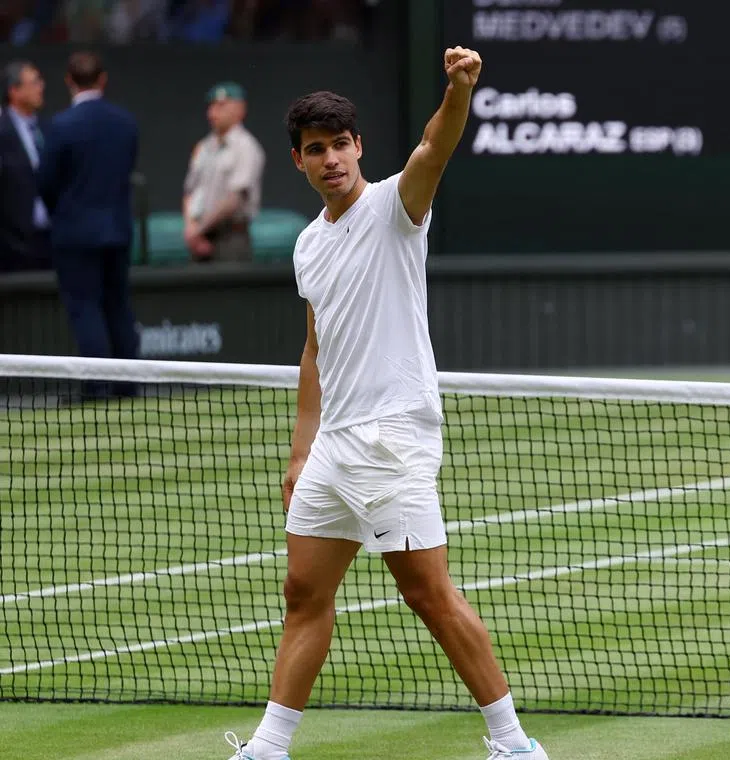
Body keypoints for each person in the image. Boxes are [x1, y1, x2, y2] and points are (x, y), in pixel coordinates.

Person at [222, 48, 550, 760]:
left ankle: (514, 744)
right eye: (317, 150)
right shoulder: (308, 245)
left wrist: (459, 89)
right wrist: (301, 447)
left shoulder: (398, 206)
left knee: (427, 594)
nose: (332, 158)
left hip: (394, 439)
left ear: (358, 147)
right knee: (303, 595)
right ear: (299, 161)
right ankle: (268, 749)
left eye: (341, 144)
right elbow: (315, 349)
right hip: (333, 450)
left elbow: (436, 144)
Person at [38, 50, 140, 398]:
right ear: (102, 80)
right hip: (117, 231)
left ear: (69, 81)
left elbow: (46, 183)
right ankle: (129, 386)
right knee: (118, 306)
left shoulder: (61, 125)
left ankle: (97, 389)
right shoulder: (125, 122)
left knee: (86, 309)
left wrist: (63, 213)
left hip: (75, 235)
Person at [182, 80, 265, 262]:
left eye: (221, 106)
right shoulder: (204, 147)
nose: (213, 112)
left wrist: (199, 229)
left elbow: (235, 198)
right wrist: (191, 229)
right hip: (200, 238)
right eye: (211, 106)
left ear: (240, 110)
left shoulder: (245, 147)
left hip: (231, 237)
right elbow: (190, 191)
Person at [0, 59, 51, 273]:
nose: (42, 87)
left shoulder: (47, 129)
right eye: (34, 82)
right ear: (14, 91)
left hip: (50, 240)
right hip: (13, 244)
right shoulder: (3, 132)